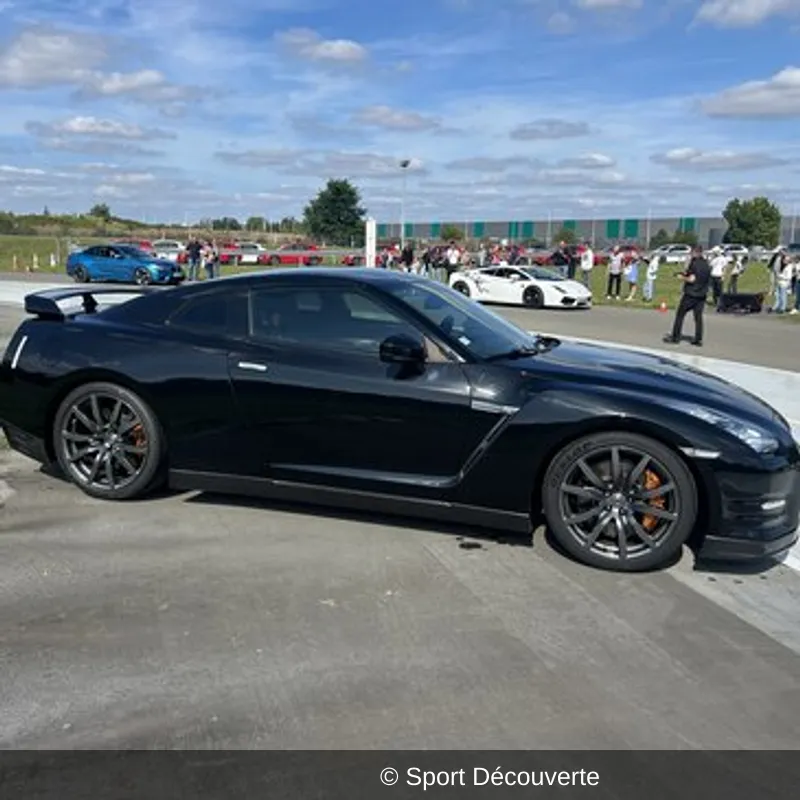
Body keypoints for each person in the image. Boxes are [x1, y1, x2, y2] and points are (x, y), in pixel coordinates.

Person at [663, 245, 711, 347]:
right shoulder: (706, 264)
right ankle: (698, 339)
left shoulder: (694, 263)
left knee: (680, 315)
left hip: (691, 294)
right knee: (698, 317)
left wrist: (682, 277)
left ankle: (675, 337)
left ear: (695, 252)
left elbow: (692, 279)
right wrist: (685, 273)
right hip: (702, 294)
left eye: (691, 253)